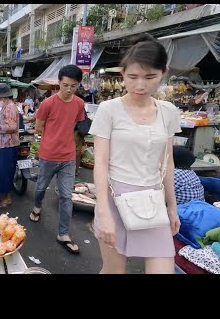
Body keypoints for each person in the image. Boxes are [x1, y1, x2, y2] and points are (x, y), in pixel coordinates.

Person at [89, 33, 181, 274]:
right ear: (123, 74)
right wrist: (103, 212)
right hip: (114, 199)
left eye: (150, 77)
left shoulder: (169, 112)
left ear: (164, 72)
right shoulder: (109, 110)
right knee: (113, 271)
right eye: (133, 77)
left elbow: (167, 162)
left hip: (153, 202)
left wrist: (172, 207)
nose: (141, 85)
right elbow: (100, 162)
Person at [28, 65, 85, 254]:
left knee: (66, 196)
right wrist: (52, 140)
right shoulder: (47, 104)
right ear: (59, 82)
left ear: (78, 85)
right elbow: (38, 127)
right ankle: (37, 207)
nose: (69, 89)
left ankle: (63, 234)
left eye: (73, 86)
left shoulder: (79, 104)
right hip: (48, 155)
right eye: (65, 85)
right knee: (41, 187)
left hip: (68, 157)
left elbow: (75, 124)